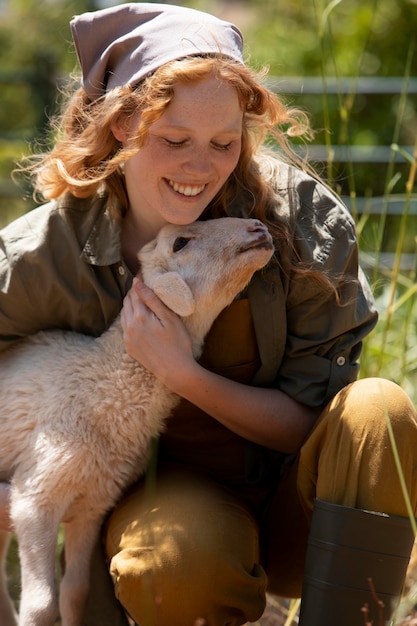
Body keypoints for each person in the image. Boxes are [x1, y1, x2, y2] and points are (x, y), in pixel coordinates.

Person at [1, 3, 417, 625]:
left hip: (298, 500)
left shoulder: (300, 222)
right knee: (173, 563)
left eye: (225, 142)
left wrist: (180, 372)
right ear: (122, 126)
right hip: (167, 507)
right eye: (173, 141)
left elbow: (311, 421)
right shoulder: (45, 252)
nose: (201, 168)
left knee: (380, 410)